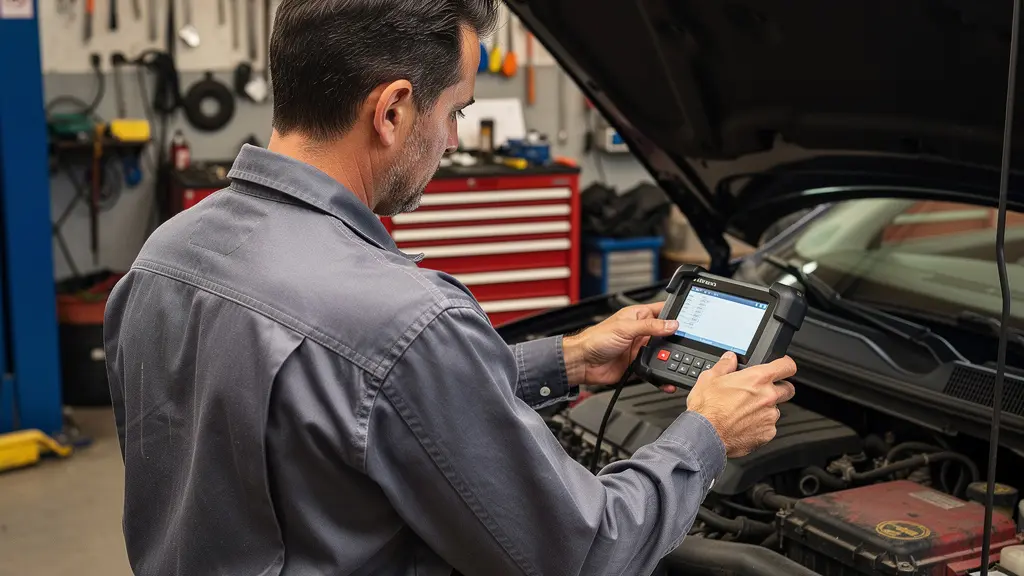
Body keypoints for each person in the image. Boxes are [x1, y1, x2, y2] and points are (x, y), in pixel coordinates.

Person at [103, 0, 797, 574]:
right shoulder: (406, 318)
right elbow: (584, 552)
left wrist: (567, 359)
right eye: (457, 110)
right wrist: (705, 435)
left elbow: (342, 404)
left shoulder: (164, 257)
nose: (454, 140)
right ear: (394, 110)